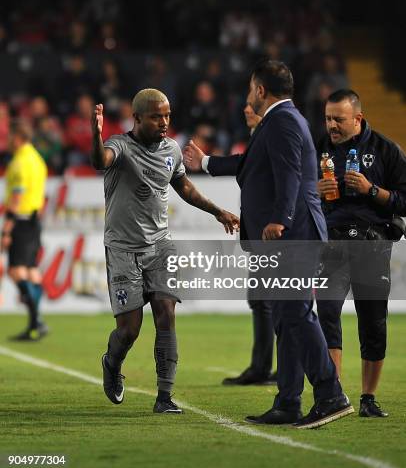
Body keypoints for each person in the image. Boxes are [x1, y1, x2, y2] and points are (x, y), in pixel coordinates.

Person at [185, 59, 353, 428]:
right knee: (285, 318)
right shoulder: (280, 122)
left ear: (261, 90)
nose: (248, 95)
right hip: (286, 237)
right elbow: (253, 164)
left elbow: (290, 172)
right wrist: (208, 162)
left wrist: (281, 218)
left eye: (250, 89)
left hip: (292, 236)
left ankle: (330, 394)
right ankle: (288, 403)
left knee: (294, 313)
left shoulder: (283, 121)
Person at [91, 88, 239, 414]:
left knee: (166, 315)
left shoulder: (171, 149)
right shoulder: (120, 145)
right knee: (128, 330)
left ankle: (164, 397)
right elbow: (99, 161)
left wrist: (217, 211)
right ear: (138, 117)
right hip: (123, 249)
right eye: (157, 116)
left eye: (167, 115)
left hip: (160, 245)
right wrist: (95, 133)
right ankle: (112, 363)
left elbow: (183, 186)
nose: (164, 122)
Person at [316, 89, 406, 418]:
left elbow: (404, 198)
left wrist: (372, 191)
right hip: (332, 246)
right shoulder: (317, 148)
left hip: (372, 245)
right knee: (326, 313)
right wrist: (315, 190)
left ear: (358, 118)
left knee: (373, 323)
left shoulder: (386, 150)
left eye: (338, 120)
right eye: (328, 119)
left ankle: (368, 398)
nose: (331, 126)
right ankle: (332, 394)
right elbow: (294, 192)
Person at [185, 104, 277, 386]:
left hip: (277, 235)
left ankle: (282, 369)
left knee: (280, 304)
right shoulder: (264, 134)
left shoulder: (273, 132)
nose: (247, 109)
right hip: (264, 235)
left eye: (253, 106)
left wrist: (205, 162)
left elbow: (244, 164)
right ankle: (262, 368)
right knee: (262, 302)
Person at [0, 120, 48, 340]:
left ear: (18, 138)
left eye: (11, 137)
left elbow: (17, 196)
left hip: (20, 221)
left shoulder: (19, 162)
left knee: (16, 271)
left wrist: (7, 230)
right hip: (35, 220)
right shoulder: (37, 160)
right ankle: (35, 324)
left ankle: (36, 320)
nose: (9, 141)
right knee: (31, 271)